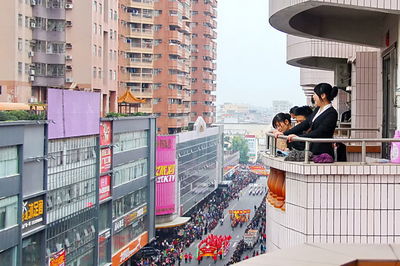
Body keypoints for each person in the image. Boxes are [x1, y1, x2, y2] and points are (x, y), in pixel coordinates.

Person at [275, 83, 338, 157]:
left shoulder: (332, 113)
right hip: (313, 148)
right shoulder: (318, 109)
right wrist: (285, 133)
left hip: (323, 152)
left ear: (323, 95)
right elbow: (305, 123)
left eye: (314, 94)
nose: (313, 97)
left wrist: (299, 137)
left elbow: (319, 132)